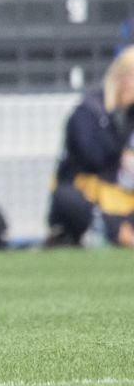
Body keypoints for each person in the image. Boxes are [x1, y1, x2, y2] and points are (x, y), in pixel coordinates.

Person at [47, 47, 134, 246]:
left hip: (123, 192)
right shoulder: (89, 112)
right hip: (86, 191)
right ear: (122, 78)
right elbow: (92, 157)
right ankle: (106, 232)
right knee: (69, 200)